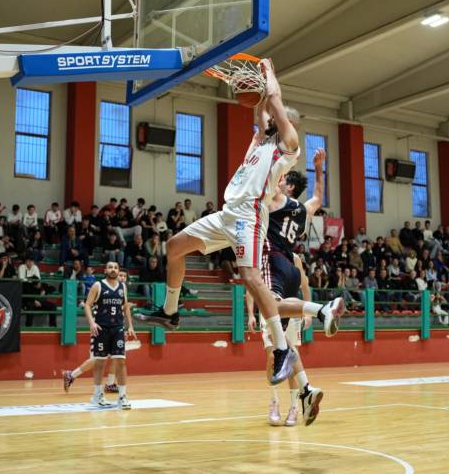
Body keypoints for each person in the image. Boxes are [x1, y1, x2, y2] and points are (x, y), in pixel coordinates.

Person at [135, 59, 336, 385]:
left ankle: (283, 350)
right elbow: (261, 108)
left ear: (285, 123)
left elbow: (272, 100)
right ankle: (171, 312)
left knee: (249, 276)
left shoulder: (288, 146)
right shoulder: (260, 139)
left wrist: (269, 73)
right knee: (174, 247)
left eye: (274, 116)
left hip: (250, 215)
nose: (268, 116)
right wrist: (256, 85)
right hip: (228, 213)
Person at [248, 148, 335, 426]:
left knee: (276, 336)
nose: (279, 182)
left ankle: (321, 310)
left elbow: (267, 178)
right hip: (290, 269)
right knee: (280, 348)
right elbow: (319, 197)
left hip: (273, 262)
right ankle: (299, 395)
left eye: (283, 180)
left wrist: (272, 149)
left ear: (288, 185)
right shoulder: (303, 211)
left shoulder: (277, 199)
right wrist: (319, 169)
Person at [64, 262, 136, 409]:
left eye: (116, 267)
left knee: (120, 362)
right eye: (110, 267)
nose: (114, 270)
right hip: (101, 328)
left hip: (117, 329)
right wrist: (91, 323)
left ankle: (122, 396)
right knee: (100, 362)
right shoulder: (98, 285)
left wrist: (130, 326)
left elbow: (125, 306)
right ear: (105, 270)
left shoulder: (123, 287)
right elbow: (87, 305)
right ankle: (97, 395)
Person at [18, 255, 57, 327]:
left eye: (39, 283)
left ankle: (53, 326)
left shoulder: (42, 284)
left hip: (40, 302)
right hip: (31, 303)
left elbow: (53, 288)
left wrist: (45, 290)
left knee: (53, 306)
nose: (39, 285)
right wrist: (34, 301)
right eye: (37, 284)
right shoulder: (27, 286)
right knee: (29, 307)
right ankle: (28, 327)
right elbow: (26, 295)